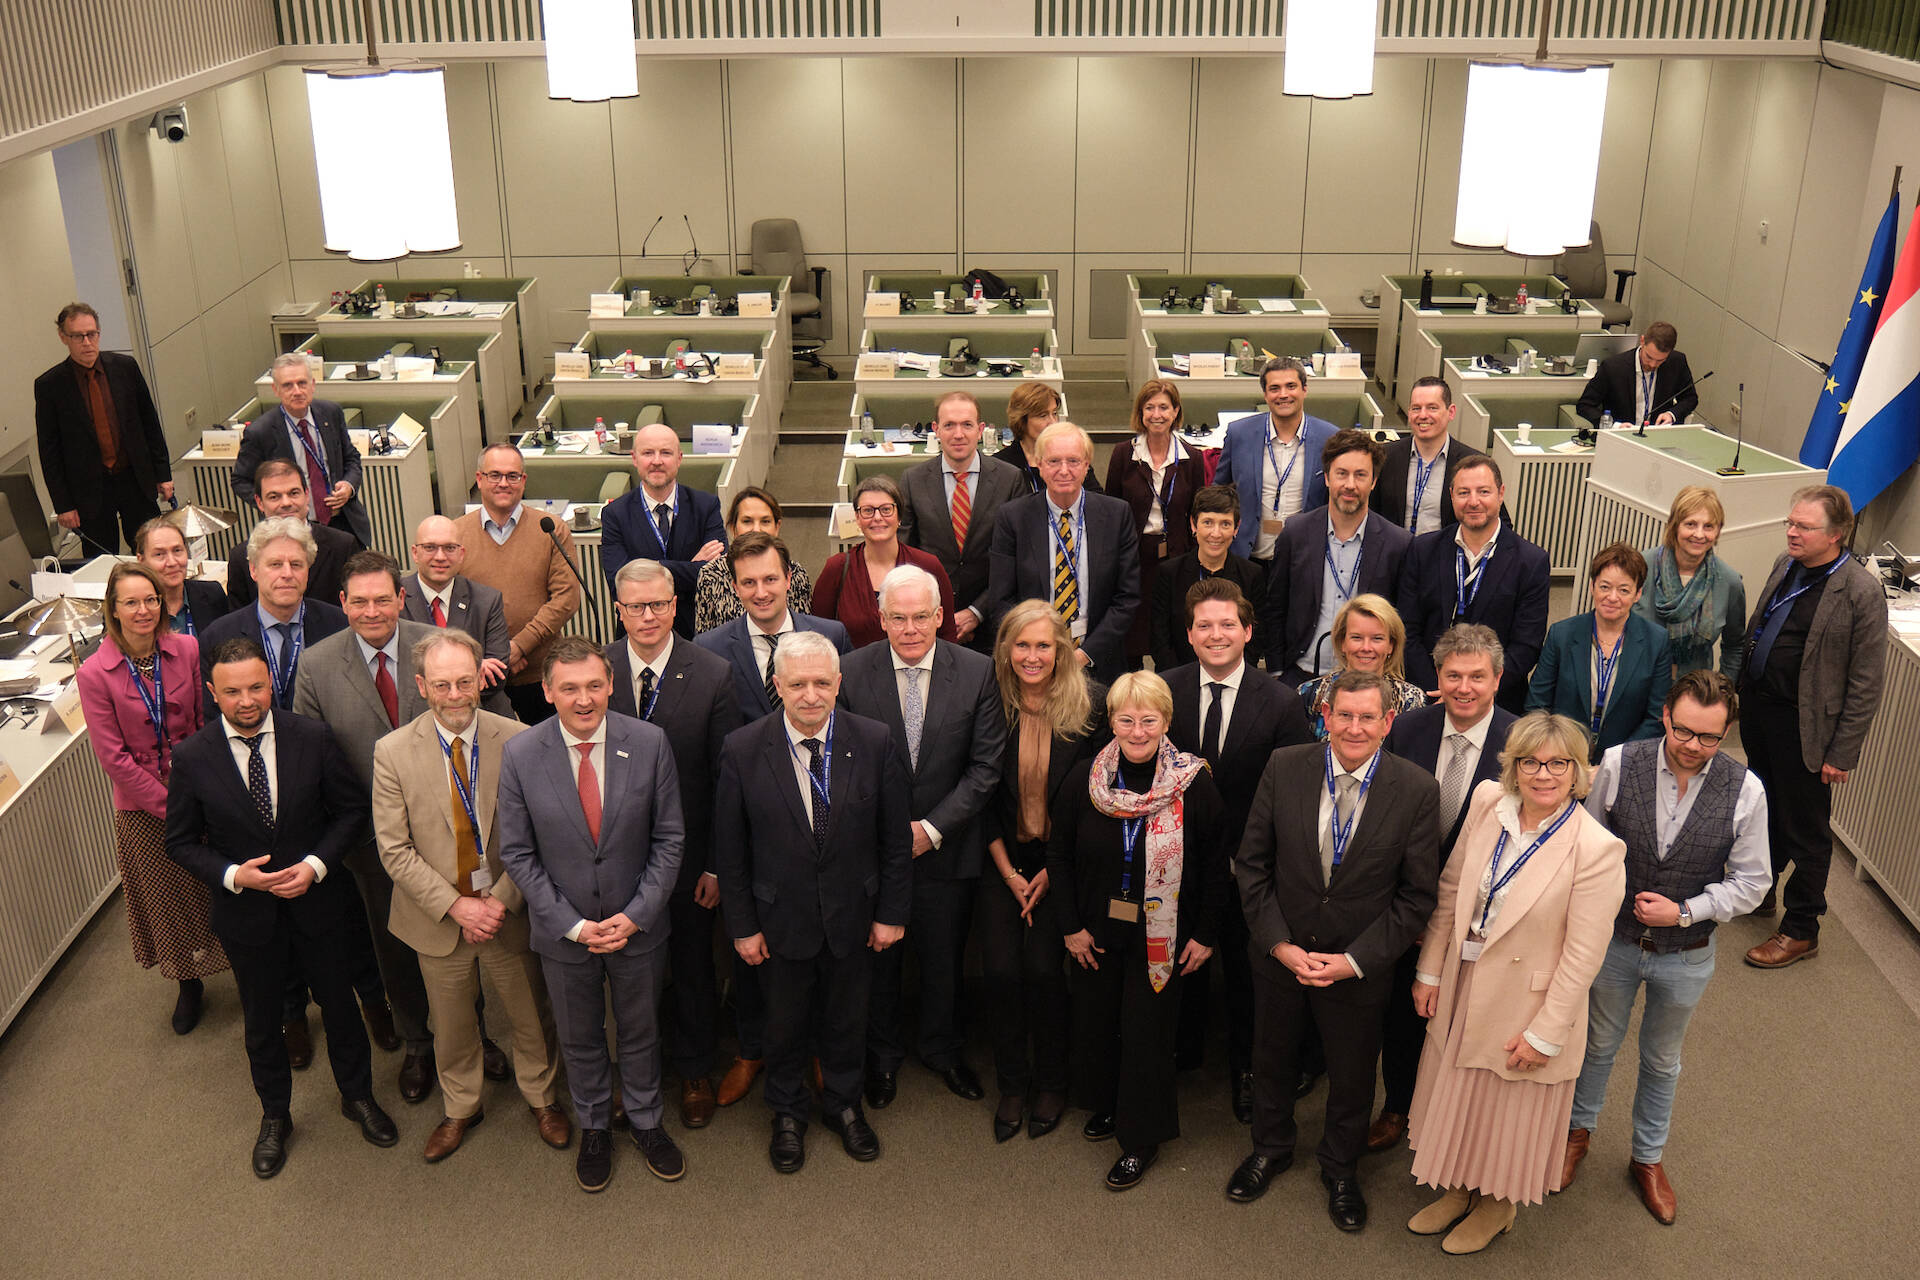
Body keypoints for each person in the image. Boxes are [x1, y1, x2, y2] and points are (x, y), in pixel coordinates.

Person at [164, 637, 398, 1178]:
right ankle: (275, 1116)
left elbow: (350, 812)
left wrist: (316, 864)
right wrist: (233, 876)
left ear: (271, 683)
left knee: (340, 1008)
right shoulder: (193, 757)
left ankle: (357, 1096)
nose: (247, 701)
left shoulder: (312, 737)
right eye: (233, 692)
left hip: (320, 904)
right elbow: (180, 841)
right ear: (212, 693)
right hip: (248, 917)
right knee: (264, 1022)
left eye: (256, 687)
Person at [1403, 712, 1626, 1254]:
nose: (1543, 774)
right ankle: (1458, 1189)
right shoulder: (1486, 804)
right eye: (1530, 761)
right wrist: (1430, 969)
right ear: (1513, 766)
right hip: (1465, 978)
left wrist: (1546, 1032)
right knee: (1457, 1090)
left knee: (1506, 1108)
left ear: (1578, 772)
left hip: (1528, 1001)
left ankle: (1498, 1205)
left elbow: (1582, 956)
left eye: (1557, 763)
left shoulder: (1596, 849)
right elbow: (1452, 890)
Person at [1227, 672, 1439, 1232]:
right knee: (1270, 1061)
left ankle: (1341, 1168)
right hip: (1280, 956)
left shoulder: (1417, 789)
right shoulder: (1285, 766)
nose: (1354, 727)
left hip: (1358, 968)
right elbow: (1251, 865)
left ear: (1388, 722)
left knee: (1351, 1076)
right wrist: (1277, 943)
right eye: (1344, 715)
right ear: (1325, 715)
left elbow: (1417, 896)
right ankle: (1269, 1149)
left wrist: (1355, 961)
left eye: (1368, 717)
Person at [1564, 670, 1769, 1223]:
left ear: (1726, 733)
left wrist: (1685, 911)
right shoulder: (1617, 763)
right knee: (1597, 1045)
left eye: (1709, 737)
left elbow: (1753, 883)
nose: (1693, 747)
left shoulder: (1746, 790)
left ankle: (1647, 1160)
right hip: (1614, 941)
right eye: (1684, 732)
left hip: (1687, 954)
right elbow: (1584, 846)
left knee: (1661, 1060)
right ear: (1666, 719)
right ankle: (1575, 1137)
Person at [712, 631, 914, 1174]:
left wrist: (891, 913)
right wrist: (743, 926)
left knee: (848, 1019)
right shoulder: (743, 748)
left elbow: (895, 841)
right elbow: (731, 853)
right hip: (778, 919)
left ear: (838, 683)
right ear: (776, 685)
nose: (809, 695)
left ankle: (844, 1106)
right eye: (797, 683)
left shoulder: (874, 740)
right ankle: (786, 1113)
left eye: (821, 682)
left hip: (855, 915)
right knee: (782, 1023)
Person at [495, 635, 687, 1193]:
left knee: (640, 1031)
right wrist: (572, 925)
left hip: (638, 925)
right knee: (580, 1037)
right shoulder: (522, 754)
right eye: (570, 688)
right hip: (564, 933)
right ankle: (596, 1126)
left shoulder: (650, 743)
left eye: (595, 686)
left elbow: (670, 839)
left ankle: (648, 1121)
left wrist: (637, 914)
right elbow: (518, 853)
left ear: (610, 687)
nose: (585, 699)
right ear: (549, 691)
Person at [370, 630, 570, 1162]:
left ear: (480, 678)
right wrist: (458, 906)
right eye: (442, 684)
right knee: (452, 1024)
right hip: (439, 917)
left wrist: (500, 901)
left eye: (465, 681)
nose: (456, 694)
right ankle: (461, 1106)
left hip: (510, 907)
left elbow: (538, 836)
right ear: (421, 686)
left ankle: (543, 1097)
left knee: (531, 1015)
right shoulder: (391, 753)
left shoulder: (521, 738)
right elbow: (394, 850)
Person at [1048, 670, 1225, 1191]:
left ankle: (1140, 1139)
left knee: (1147, 1034)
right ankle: (1110, 1106)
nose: (1138, 729)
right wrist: (1071, 927)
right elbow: (1058, 856)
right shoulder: (1086, 777)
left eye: (1149, 719)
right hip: (1097, 931)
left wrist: (1207, 933)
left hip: (1164, 937)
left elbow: (1217, 865)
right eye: (1126, 719)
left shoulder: (1194, 783)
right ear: (1112, 722)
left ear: (1166, 721)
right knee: (1099, 1023)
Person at [838, 565, 1006, 1111]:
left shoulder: (979, 673)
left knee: (943, 962)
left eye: (921, 617)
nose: (910, 629)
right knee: (879, 963)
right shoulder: (849, 672)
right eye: (898, 618)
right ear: (881, 619)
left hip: (947, 846)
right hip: (871, 849)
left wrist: (930, 831)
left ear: (940, 616)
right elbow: (841, 767)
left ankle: (942, 1049)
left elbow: (984, 768)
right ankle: (883, 1059)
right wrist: (890, 834)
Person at [291, 551, 440, 1104]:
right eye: (360, 601)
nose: (373, 611)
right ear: (342, 603)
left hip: (448, 825)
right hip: (371, 838)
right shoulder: (317, 664)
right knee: (394, 942)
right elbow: (315, 758)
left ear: (402, 598)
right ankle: (419, 1044)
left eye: (384, 599)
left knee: (459, 939)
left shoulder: (437, 644)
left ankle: (472, 1036)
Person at [1161, 578, 1312, 1118]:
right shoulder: (1163, 689)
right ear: (1189, 633)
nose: (1216, 634)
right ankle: (1180, 1056)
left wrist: (1248, 858)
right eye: (1205, 625)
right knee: (1179, 966)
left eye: (1228, 624)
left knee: (1250, 978)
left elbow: (1292, 795)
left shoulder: (1281, 702)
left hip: (1251, 868)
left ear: (1248, 631)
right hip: (1176, 864)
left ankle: (1249, 1071)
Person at [1370, 624, 1517, 1154]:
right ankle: (1397, 1107)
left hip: (1478, 915)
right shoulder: (1405, 729)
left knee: (1460, 1018)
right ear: (1437, 677)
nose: (1464, 687)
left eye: (1477, 676)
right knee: (1400, 1016)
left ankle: (1451, 1119)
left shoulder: (1518, 743)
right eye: (1453, 675)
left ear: (1497, 679)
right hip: (1401, 900)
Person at [604, 559, 741, 1128]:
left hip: (688, 858)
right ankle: (633, 1073)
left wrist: (715, 865)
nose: (648, 616)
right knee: (626, 970)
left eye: (658, 604)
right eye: (635, 606)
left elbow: (724, 780)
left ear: (675, 605)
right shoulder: (598, 669)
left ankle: (694, 1070)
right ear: (619, 611)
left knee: (691, 967)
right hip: (612, 858)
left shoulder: (712, 672)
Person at [1738, 485, 1887, 970]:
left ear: (1837, 534)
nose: (1792, 532)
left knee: (1807, 830)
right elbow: (1760, 626)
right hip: (1763, 715)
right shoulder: (1788, 563)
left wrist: (1843, 752)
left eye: (1804, 526)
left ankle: (1802, 928)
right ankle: (1759, 889)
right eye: (1790, 523)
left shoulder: (1861, 591)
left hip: (1807, 729)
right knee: (1765, 809)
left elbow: (1866, 681)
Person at [76, 562, 225, 1034]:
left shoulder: (186, 648)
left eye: (151, 600)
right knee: (169, 900)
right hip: (143, 808)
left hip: (200, 789)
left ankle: (244, 962)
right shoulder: (95, 673)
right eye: (131, 602)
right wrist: (170, 804)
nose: (143, 610)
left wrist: (202, 790)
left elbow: (204, 724)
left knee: (219, 885)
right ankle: (188, 983)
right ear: (113, 610)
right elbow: (114, 759)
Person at [979, 601, 1109, 1141]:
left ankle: (1053, 1082)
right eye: (1022, 645)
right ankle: (1012, 1082)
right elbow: (979, 793)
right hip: (1002, 859)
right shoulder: (989, 703)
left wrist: (1053, 872)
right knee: (1004, 970)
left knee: (1045, 971)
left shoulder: (1094, 707)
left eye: (1044, 645)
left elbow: (1099, 801)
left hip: (1066, 863)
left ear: (1062, 651)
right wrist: (1010, 874)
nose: (1032, 656)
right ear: (1006, 651)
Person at [987, 421, 1142, 683]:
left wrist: (1084, 655)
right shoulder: (1013, 518)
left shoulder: (1117, 515)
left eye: (1073, 460)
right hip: (1032, 665)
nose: (1064, 470)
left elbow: (1127, 598)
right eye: (1054, 461)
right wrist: (1038, 651)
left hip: (1099, 662)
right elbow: (1001, 600)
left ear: (1087, 464)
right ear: (1038, 463)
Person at [1397, 455, 1549, 711]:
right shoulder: (1423, 550)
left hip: (1496, 699)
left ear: (1501, 494)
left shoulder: (1531, 561)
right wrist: (1445, 686)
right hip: (1430, 694)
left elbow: (1526, 645)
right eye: (1464, 492)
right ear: (1451, 495)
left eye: (1483, 491)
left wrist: (1477, 689)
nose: (1473, 501)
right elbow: (1406, 630)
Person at [1263, 429, 1412, 686]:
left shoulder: (1398, 543)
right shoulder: (1295, 533)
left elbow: (1404, 621)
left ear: (1374, 481)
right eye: (1341, 473)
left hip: (1367, 679)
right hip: (1300, 674)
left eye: (1361, 475)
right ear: (1328, 478)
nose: (1350, 485)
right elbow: (1276, 607)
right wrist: (1277, 671)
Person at [454, 443, 582, 724]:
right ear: (479, 479)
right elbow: (451, 604)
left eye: (512, 476)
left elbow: (566, 599)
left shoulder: (551, 528)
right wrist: (498, 656)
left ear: (523, 481)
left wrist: (519, 647)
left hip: (541, 674)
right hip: (478, 675)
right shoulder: (456, 533)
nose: (503, 483)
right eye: (494, 475)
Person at [33, 302, 172, 554]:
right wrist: (63, 504)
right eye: (78, 336)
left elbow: (149, 423)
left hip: (134, 479)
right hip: (89, 490)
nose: (87, 342)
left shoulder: (125, 368)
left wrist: (163, 473)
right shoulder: (50, 386)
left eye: (92, 334)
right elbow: (49, 452)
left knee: (151, 549)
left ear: (99, 333)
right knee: (101, 560)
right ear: (63, 337)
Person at [899, 391, 1027, 649]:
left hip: (993, 622)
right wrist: (936, 614)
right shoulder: (913, 481)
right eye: (949, 425)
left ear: (980, 429)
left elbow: (1019, 558)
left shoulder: (1010, 479)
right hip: (930, 622)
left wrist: (976, 612)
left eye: (967, 424)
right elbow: (905, 556)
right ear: (935, 429)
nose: (959, 434)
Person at [1527, 543, 1672, 760]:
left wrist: (1614, 762)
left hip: (1624, 761)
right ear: (1592, 586)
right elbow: (1536, 704)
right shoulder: (1562, 634)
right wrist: (1556, 754)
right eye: (1605, 587)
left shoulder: (1656, 641)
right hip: (1560, 756)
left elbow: (1656, 718)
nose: (1612, 597)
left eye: (1624, 590)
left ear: (1638, 594)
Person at [696, 532, 851, 728]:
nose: (761, 593)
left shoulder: (832, 636)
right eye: (749, 582)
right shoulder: (711, 649)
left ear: (788, 579)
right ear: (735, 587)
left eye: (770, 579)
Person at [198, 517, 348, 717]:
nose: (287, 574)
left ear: (308, 570)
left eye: (296, 564)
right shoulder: (218, 636)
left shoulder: (340, 626)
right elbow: (215, 718)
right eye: (275, 564)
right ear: (253, 570)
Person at [1105, 379, 1207, 668]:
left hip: (1175, 557)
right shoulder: (1124, 454)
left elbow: (1196, 512)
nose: (1157, 414)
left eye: (1164, 407)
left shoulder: (1192, 458)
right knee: (1131, 637)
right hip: (1134, 557)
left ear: (1176, 412)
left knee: (1169, 633)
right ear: (1140, 412)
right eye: (1149, 407)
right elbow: (1112, 508)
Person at [600, 422, 728, 638]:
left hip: (698, 631)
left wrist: (648, 568)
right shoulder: (615, 514)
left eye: (666, 453)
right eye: (648, 453)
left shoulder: (706, 506)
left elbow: (717, 576)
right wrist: (692, 567)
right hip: (639, 634)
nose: (657, 461)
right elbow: (619, 584)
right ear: (634, 458)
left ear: (679, 459)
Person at [233, 353, 372, 548]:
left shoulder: (331, 413)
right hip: (292, 529)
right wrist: (273, 503)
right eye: (288, 385)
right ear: (276, 390)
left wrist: (349, 485)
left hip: (343, 523)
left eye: (302, 383)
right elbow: (240, 480)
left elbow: (351, 458)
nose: (297, 391)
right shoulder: (260, 432)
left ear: (312, 384)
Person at [1210, 356, 1336, 566]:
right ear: (1265, 394)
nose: (1283, 395)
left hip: (1304, 560)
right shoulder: (1239, 434)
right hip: (1247, 558)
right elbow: (1219, 491)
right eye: (1275, 388)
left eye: (1291, 386)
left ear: (1305, 389)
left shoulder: (1329, 438)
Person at [812, 475, 958, 650]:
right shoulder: (837, 568)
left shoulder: (928, 566)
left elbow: (947, 633)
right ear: (857, 518)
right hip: (856, 674)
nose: (877, 517)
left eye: (886, 509)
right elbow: (818, 636)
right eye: (868, 511)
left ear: (899, 517)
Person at [401, 514, 513, 715]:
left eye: (449, 548)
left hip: (482, 713)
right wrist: (474, 668)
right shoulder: (393, 599)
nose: (440, 557)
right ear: (415, 553)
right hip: (416, 717)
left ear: (461, 554)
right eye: (430, 547)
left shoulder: (487, 600)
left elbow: (498, 676)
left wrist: (434, 679)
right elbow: (397, 675)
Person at [1636, 485, 1747, 680]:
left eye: (1709, 526)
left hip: (1692, 690)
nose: (1699, 534)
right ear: (1675, 525)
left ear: (1718, 531)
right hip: (1637, 678)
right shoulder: (1641, 567)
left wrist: (1723, 690)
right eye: (1690, 524)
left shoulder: (1729, 582)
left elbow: (1734, 645)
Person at [1151, 483, 1266, 672]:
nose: (1216, 533)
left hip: (1235, 679)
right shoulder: (1169, 573)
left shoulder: (1252, 575)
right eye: (1208, 522)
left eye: (1225, 524)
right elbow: (1160, 639)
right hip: (1178, 679)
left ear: (1236, 528)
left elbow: (1255, 638)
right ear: (1193, 525)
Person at [223, 459, 359, 609]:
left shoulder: (342, 546)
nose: (286, 503)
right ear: (259, 502)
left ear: (307, 495)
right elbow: (239, 622)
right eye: (274, 497)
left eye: (293, 493)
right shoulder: (240, 556)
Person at [1297, 594, 1428, 738]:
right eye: (1357, 638)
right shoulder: (1309, 694)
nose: (1366, 647)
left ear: (1391, 645)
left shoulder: (1412, 700)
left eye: (1377, 638)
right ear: (1342, 642)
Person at [693, 487, 815, 633]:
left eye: (765, 521)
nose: (756, 529)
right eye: (747, 521)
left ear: (777, 527)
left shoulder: (796, 573)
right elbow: (705, 639)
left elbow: (804, 633)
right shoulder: (710, 575)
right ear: (733, 528)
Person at [1374, 378, 1488, 535]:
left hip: (1446, 556)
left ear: (1451, 412)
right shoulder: (1385, 457)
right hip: (1395, 554)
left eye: (1432, 408)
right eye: (1416, 408)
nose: (1423, 415)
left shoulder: (1474, 464)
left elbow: (1496, 521)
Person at [1577, 321, 1697, 428]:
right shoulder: (1613, 367)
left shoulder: (1677, 362)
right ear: (1642, 341)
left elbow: (1690, 398)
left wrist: (1672, 414)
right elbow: (1585, 405)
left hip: (1658, 435)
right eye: (1649, 357)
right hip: (1622, 436)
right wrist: (1614, 426)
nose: (1653, 364)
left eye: (1660, 360)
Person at [135, 512, 228, 638]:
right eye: (159, 554)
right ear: (141, 561)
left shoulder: (212, 594)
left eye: (177, 550)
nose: (172, 562)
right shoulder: (132, 609)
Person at [1002, 380, 1088, 496]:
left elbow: (1099, 502)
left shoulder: (1072, 455)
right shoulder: (1002, 465)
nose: (1053, 422)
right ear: (1022, 421)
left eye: (1055, 413)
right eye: (1043, 416)